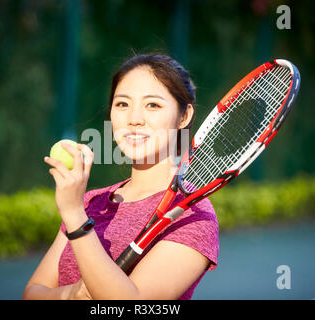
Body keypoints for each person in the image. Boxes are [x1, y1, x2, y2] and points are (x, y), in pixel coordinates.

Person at [22, 53, 219, 300]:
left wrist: (74, 217)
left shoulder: (193, 215)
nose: (134, 119)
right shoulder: (91, 202)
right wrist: (69, 295)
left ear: (184, 116)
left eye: (153, 105)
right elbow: (31, 294)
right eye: (122, 104)